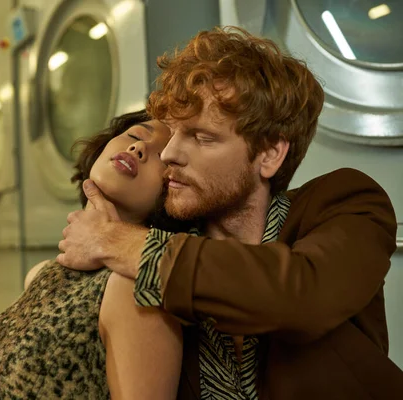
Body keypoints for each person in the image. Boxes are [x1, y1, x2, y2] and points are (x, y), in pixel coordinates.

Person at [57, 27, 403, 399]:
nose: (170, 153)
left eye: (202, 137)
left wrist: (112, 239)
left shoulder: (344, 201)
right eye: (172, 133)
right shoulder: (169, 239)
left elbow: (301, 296)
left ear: (269, 154)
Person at [0, 111, 190, 400]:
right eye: (135, 135)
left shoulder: (132, 291)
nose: (138, 148)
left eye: (160, 156)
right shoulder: (43, 273)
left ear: (171, 192)